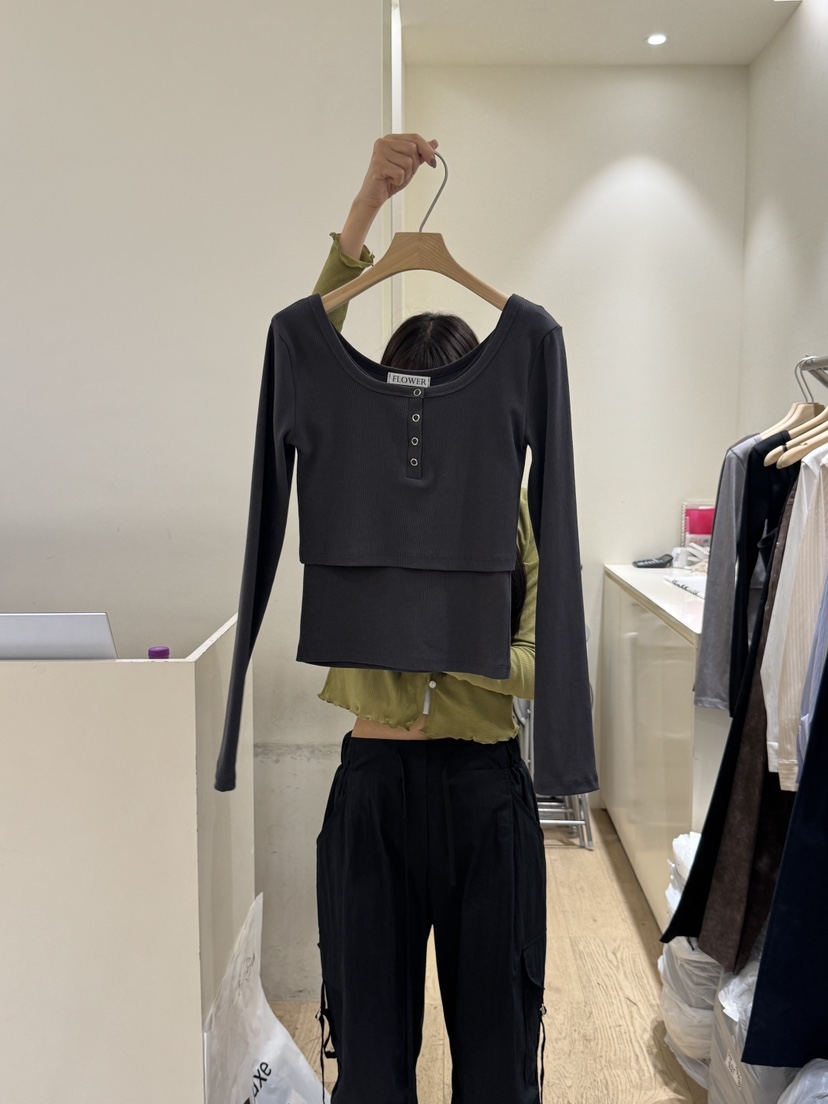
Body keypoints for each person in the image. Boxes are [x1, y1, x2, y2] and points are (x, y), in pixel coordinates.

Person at [312, 134, 547, 1104]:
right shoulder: (354, 494)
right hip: (374, 792)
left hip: (485, 794)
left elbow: (544, 660)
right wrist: (366, 206)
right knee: (369, 1068)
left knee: (498, 1065)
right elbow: (308, 350)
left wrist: (460, 645)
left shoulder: (514, 513)